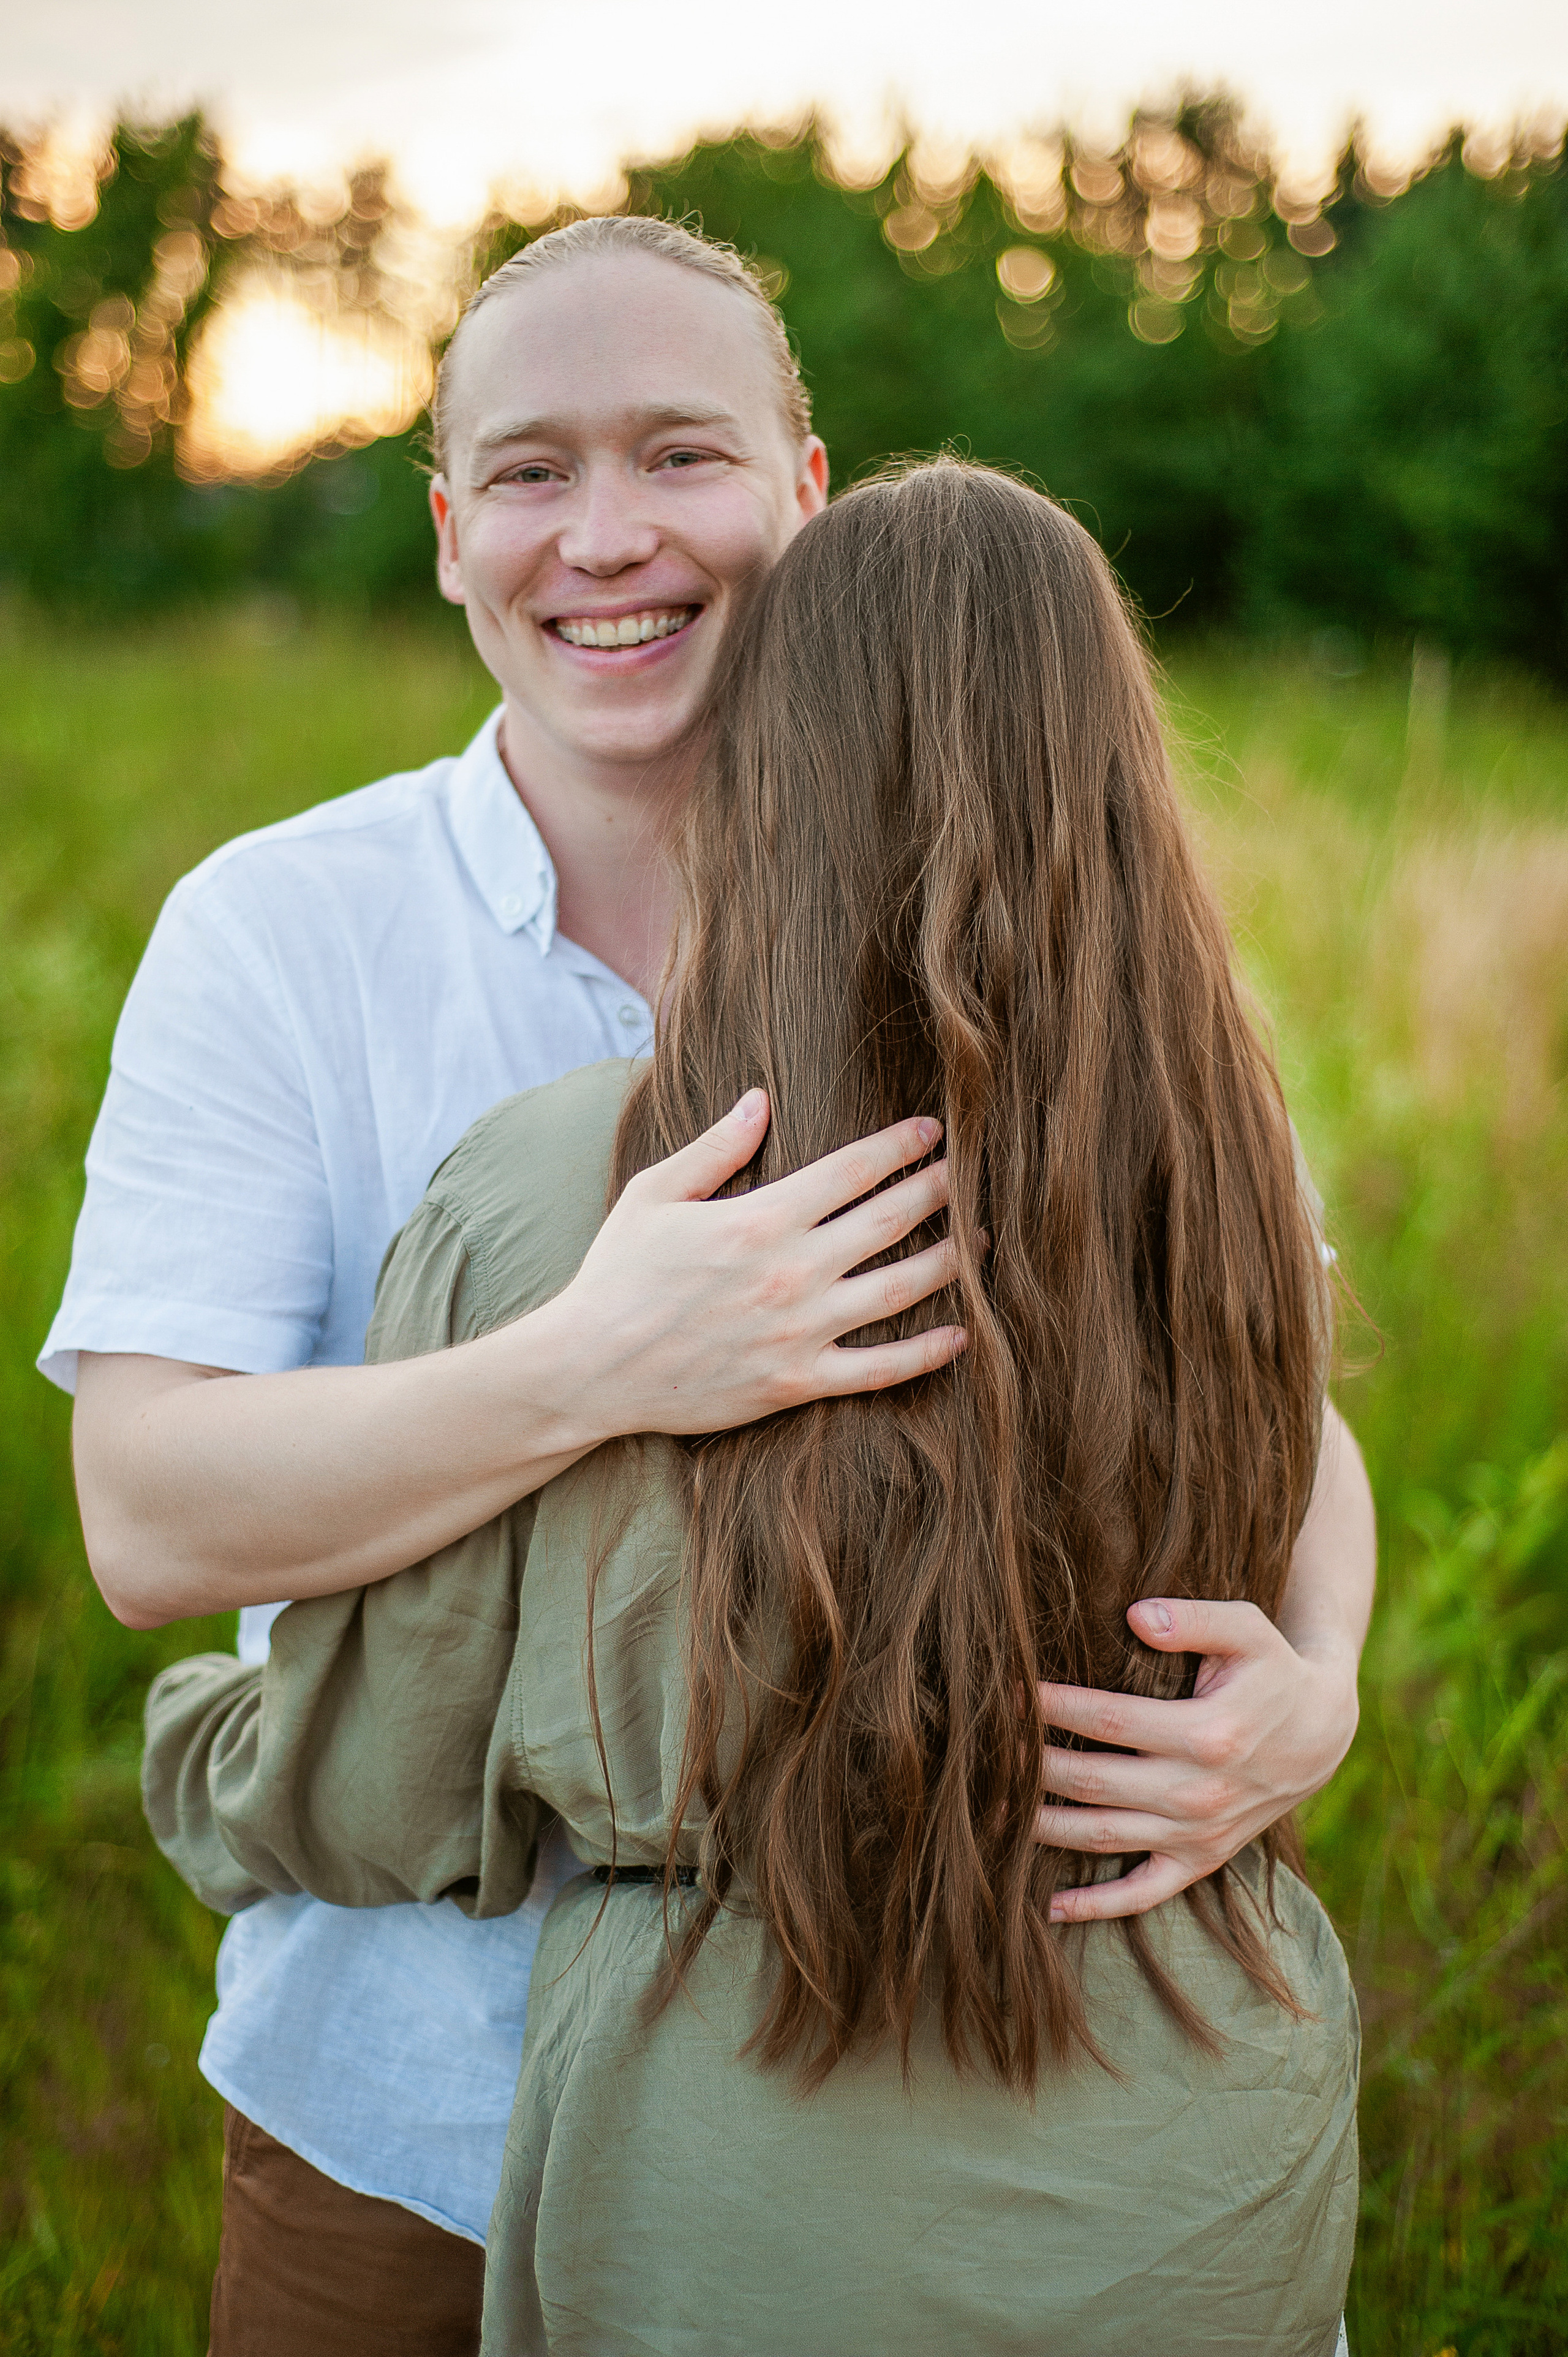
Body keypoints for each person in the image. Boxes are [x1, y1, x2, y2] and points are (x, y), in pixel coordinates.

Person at [46, 221, 1371, 2350]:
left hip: (914, 2134)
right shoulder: (280, 933)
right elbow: (149, 1519)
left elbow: (1274, 1401)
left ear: (808, 493)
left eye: (679, 455)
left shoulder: (1061, 942)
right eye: (535, 471)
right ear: (452, 525)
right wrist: (593, 1366)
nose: (609, 538)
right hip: (404, 2109)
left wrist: (1322, 1676)